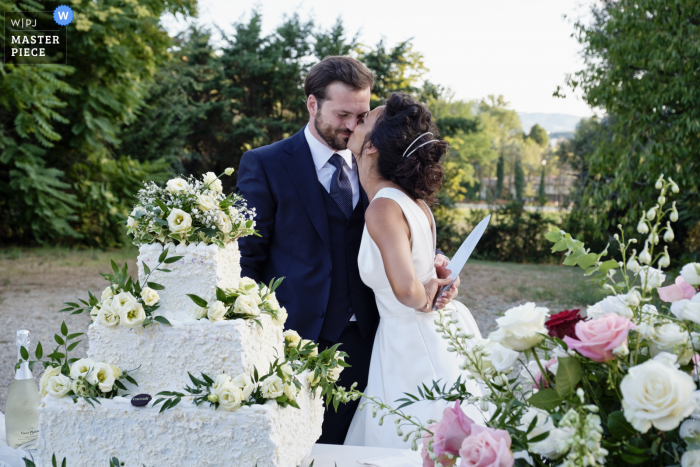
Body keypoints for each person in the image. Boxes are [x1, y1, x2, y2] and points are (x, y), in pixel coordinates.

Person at [235, 56, 459, 444]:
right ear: (312, 104)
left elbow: (401, 237)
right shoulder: (265, 164)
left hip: (374, 342)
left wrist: (432, 265)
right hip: (295, 340)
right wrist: (256, 335)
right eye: (342, 114)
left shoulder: (379, 165)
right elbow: (246, 258)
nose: (352, 125)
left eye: (361, 115)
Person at [343, 93, 484, 448]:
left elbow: (408, 290)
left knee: (413, 437)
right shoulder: (413, 201)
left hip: (410, 343)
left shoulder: (381, 208)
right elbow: (426, 263)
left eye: (363, 121)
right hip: (429, 333)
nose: (355, 122)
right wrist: (440, 280)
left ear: (372, 146)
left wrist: (426, 297)